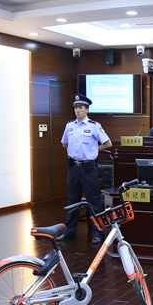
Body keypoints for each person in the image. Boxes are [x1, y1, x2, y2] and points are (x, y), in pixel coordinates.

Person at [59, 94, 112, 244]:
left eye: (80, 107)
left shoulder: (94, 126)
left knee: (93, 201)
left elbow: (108, 143)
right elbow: (64, 143)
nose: (77, 110)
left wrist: (94, 150)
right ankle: (69, 232)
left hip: (88, 168)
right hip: (73, 167)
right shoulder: (70, 125)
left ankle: (98, 233)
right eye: (76, 107)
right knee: (73, 201)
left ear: (87, 109)